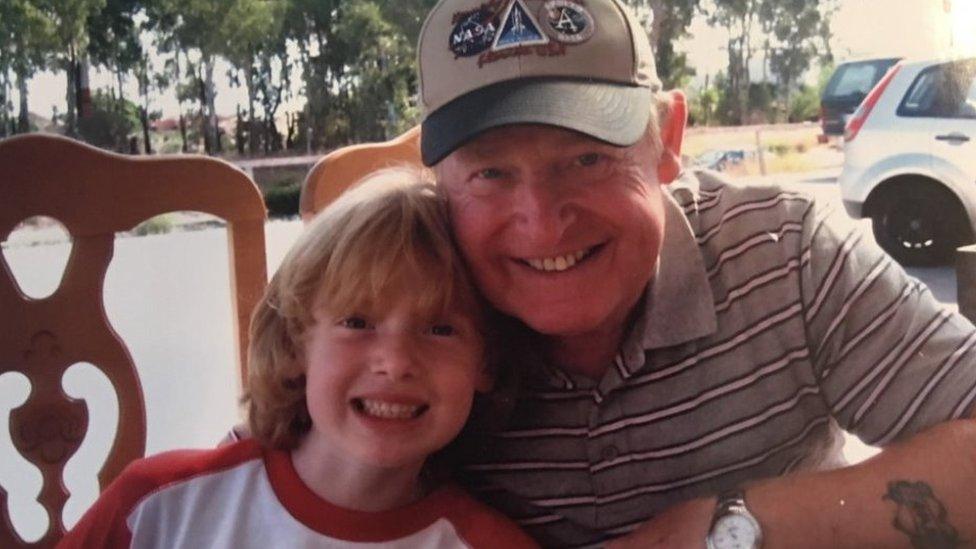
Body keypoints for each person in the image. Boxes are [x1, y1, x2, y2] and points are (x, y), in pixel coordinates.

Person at [415, 0, 976, 546]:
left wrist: (733, 529)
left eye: (587, 158)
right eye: (490, 172)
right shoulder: (399, 303)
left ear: (668, 137)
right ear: (437, 177)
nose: (542, 224)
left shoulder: (782, 250)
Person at [59, 170, 537, 548]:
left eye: (440, 329)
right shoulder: (157, 507)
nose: (395, 361)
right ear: (293, 344)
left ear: (487, 364)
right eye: (356, 322)